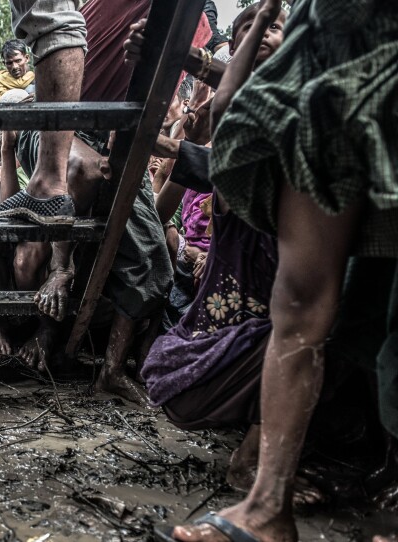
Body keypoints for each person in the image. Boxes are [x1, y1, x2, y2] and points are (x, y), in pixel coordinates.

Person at [161, 0, 398, 540]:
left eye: (269, 27)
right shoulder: (278, 102)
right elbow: (225, 106)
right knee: (298, 306)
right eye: (252, 29)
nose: (262, 32)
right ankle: (268, 505)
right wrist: (268, 13)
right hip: (331, 64)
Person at [0, 39, 35, 103]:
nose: (15, 67)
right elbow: (20, 84)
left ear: (27, 58)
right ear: (4, 64)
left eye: (18, 61)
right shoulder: (1, 79)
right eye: (9, 63)